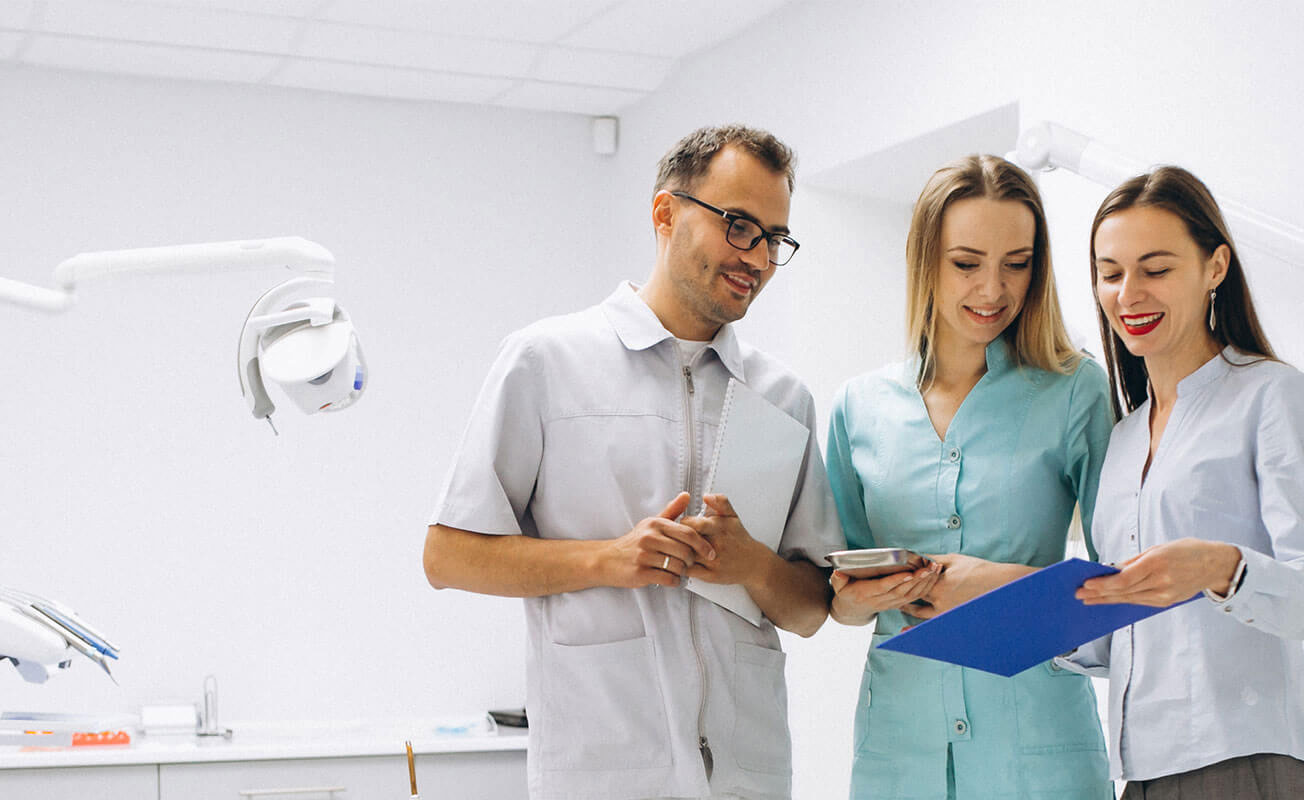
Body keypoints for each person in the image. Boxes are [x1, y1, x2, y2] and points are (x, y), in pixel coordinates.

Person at [422, 124, 842, 800]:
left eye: (774, 238)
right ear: (666, 214)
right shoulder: (546, 362)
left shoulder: (783, 397)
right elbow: (448, 556)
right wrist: (608, 559)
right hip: (604, 773)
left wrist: (753, 566)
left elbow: (810, 611)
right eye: (738, 226)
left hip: (744, 778)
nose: (758, 258)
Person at [823, 154, 1115, 798]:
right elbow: (838, 600)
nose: (993, 290)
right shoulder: (858, 407)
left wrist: (993, 586)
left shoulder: (1076, 391)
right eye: (966, 263)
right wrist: (856, 598)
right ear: (924, 259)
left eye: (1017, 263)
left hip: (1038, 756)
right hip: (900, 756)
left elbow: (1124, 589)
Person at [1065, 165, 1304, 798]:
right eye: (1111, 273)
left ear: (1215, 267)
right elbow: (1130, 631)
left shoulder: (1272, 396)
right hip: (1141, 771)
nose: (1128, 294)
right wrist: (1038, 619)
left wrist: (1221, 568)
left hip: (1245, 758)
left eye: (1156, 269)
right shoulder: (1123, 438)